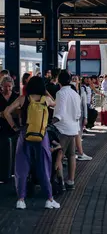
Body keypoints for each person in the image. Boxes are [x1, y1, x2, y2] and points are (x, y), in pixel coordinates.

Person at [3, 76, 60, 209]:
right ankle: (49, 199)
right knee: (44, 166)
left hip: (25, 134)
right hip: (42, 135)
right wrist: (45, 91)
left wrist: (14, 127)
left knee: (21, 167)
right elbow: (55, 103)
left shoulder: (23, 99)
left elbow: (6, 112)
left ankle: (21, 200)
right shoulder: (45, 99)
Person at [53, 70, 81, 191]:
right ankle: (70, 181)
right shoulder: (75, 93)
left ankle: (60, 183)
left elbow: (60, 112)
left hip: (62, 128)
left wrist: (51, 122)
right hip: (73, 129)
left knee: (58, 156)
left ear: (59, 80)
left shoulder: (60, 93)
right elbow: (78, 113)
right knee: (71, 155)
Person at [76, 78, 92, 161]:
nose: (74, 81)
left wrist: (85, 117)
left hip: (80, 116)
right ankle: (78, 152)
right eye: (73, 79)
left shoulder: (82, 91)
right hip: (72, 117)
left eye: (76, 79)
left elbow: (84, 105)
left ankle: (79, 152)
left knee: (79, 134)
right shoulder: (70, 91)